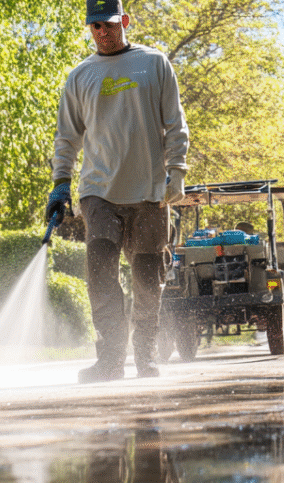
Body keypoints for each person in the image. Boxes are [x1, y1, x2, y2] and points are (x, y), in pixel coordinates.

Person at [46, 0, 190, 382]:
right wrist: (61, 183)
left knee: (147, 278)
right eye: (95, 27)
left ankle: (144, 354)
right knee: (101, 271)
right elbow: (66, 138)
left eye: (109, 25)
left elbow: (175, 123)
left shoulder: (153, 63)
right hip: (99, 193)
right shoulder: (80, 76)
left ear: (124, 21)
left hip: (149, 193)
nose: (103, 33)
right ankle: (110, 358)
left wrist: (176, 170)